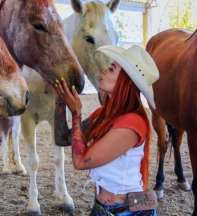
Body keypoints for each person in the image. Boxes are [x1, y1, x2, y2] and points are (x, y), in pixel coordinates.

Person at [54, 45, 159, 216]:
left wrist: (76, 114)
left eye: (111, 69)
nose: (104, 70)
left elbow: (80, 161)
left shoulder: (133, 122)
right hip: (105, 207)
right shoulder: (102, 115)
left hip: (125, 211)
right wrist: (60, 99)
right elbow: (63, 138)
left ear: (126, 81)